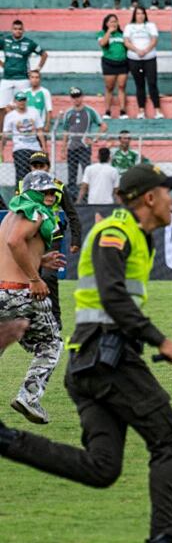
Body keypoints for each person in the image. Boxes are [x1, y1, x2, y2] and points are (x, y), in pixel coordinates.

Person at [0, 164, 172, 543]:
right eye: (168, 192)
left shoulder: (133, 234)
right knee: (170, 441)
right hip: (106, 357)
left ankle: (5, 440)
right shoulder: (115, 232)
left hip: (91, 363)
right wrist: (162, 341)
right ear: (149, 198)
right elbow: (112, 295)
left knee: (102, 468)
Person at [0, 170, 65, 424]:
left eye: (51, 191)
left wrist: (40, 258)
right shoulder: (35, 211)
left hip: (2, 292)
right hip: (22, 293)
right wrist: (35, 278)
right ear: (31, 191)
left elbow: (14, 246)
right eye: (44, 190)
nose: (49, 195)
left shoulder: (10, 217)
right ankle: (29, 396)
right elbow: (16, 243)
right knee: (51, 343)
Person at [17, 151, 81, 331]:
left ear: (48, 167)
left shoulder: (58, 186)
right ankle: (32, 319)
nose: (38, 169)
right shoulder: (24, 184)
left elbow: (72, 213)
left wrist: (75, 238)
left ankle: (55, 319)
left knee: (49, 276)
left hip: (52, 237)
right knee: (30, 277)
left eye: (41, 166)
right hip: (30, 237)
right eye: (34, 166)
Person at [58, 88, 105, 200]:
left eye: (78, 96)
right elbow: (65, 131)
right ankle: (73, 197)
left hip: (84, 147)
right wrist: (63, 149)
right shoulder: (68, 113)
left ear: (82, 97)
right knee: (71, 174)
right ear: (71, 98)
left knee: (86, 172)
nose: (76, 99)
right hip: (72, 147)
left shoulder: (89, 111)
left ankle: (87, 196)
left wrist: (94, 139)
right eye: (73, 97)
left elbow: (103, 125)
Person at [124, 7, 162, 119]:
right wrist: (137, 50)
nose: (140, 15)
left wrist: (145, 50)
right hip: (134, 58)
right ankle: (141, 111)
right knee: (139, 85)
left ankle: (157, 110)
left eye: (142, 13)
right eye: (138, 13)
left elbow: (154, 40)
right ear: (134, 15)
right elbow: (126, 42)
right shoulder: (129, 26)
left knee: (152, 83)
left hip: (149, 58)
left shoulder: (151, 25)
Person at [2, 91, 46, 182]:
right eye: (19, 100)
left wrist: (44, 147)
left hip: (35, 147)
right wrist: (1, 150)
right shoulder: (10, 116)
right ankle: (21, 194)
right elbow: (5, 135)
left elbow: (40, 130)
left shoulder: (34, 112)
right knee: (21, 175)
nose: (22, 102)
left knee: (38, 174)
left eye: (23, 100)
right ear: (15, 101)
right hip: (20, 147)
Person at [1, 20, 47, 107]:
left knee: (22, 106)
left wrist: (37, 69)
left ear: (23, 30)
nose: (17, 31)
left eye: (20, 29)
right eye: (15, 29)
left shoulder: (29, 43)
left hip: (23, 79)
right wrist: (2, 64)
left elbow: (44, 54)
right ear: (12, 30)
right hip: (7, 78)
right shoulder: (5, 41)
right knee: (2, 107)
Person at [97, 14, 129, 120]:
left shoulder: (122, 34)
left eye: (115, 21)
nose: (114, 23)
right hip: (109, 63)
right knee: (109, 88)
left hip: (123, 63)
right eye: (111, 22)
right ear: (106, 23)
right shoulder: (102, 33)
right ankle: (107, 111)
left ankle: (123, 111)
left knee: (121, 87)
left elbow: (127, 46)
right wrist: (109, 32)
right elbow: (102, 43)